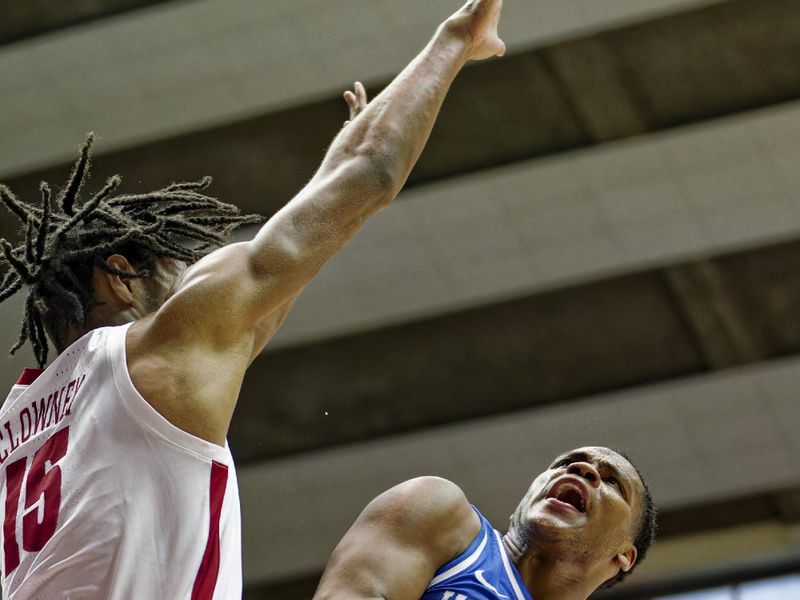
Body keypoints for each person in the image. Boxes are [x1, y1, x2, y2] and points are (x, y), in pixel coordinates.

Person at [0, 1, 506, 598]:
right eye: (175, 269)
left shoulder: (14, 431)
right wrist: (455, 39)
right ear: (119, 276)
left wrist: (334, 196)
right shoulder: (159, 353)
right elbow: (371, 170)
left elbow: (270, 298)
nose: (191, 285)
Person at [313, 446, 657, 600]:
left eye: (613, 483)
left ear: (624, 556)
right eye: (567, 463)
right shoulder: (437, 513)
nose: (583, 470)